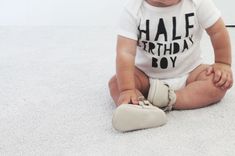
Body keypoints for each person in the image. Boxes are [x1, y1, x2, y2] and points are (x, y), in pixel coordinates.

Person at [108, 0, 233, 132]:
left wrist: (222, 63)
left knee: (218, 84)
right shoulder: (133, 9)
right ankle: (139, 107)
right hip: (147, 77)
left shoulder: (197, 3)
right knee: (117, 83)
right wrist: (127, 89)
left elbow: (218, 31)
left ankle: (170, 100)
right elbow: (125, 53)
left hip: (190, 73)